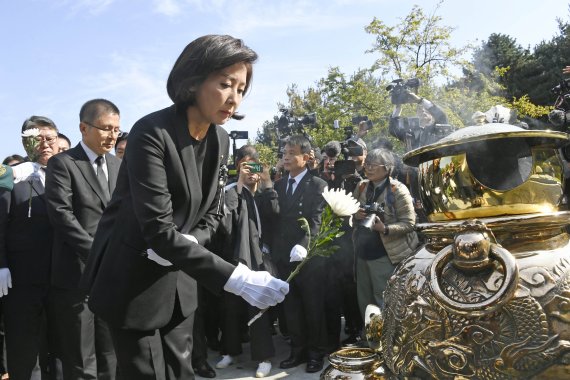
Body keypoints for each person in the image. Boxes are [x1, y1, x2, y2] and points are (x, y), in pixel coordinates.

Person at [80, 35, 288, 380]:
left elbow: (213, 210)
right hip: (132, 280)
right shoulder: (152, 132)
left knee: (183, 370)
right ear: (192, 81)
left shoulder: (220, 140)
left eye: (241, 88)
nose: (233, 97)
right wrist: (236, 278)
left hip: (180, 280)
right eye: (224, 84)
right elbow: (158, 229)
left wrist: (192, 240)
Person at [45, 99, 121, 379]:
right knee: (80, 356)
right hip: (76, 276)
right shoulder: (63, 164)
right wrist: (97, 253)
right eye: (105, 129)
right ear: (83, 128)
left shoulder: (118, 166)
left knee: (110, 352)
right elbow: (62, 216)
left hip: (111, 276)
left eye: (116, 130)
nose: (112, 136)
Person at [258, 135, 328, 373]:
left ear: (307, 157)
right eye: (284, 153)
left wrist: (304, 244)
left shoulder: (317, 184)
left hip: (307, 258)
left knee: (312, 306)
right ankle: (297, 351)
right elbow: (273, 218)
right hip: (283, 257)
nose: (285, 157)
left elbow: (317, 220)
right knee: (292, 308)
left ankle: (316, 353)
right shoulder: (278, 185)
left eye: (291, 153)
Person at [0, 116, 60, 380]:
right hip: (22, 279)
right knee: (25, 350)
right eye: (37, 139)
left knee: (63, 347)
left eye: (50, 138)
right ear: (26, 143)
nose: (45, 144)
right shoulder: (14, 177)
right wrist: (1, 262)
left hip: (63, 276)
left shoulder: (69, 173)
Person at [215, 147, 276, 378]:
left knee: (258, 307)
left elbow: (274, 215)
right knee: (230, 308)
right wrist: (239, 185)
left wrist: (268, 182)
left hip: (260, 258)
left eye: (255, 166)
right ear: (237, 166)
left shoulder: (263, 192)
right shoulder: (230, 190)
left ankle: (263, 357)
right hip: (234, 258)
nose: (251, 171)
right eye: (245, 166)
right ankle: (230, 351)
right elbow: (225, 225)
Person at [352, 148, 419, 317]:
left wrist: (385, 229)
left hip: (386, 254)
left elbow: (410, 223)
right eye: (367, 164)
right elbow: (348, 215)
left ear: (387, 168)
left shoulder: (398, 190)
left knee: (384, 298)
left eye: (374, 165)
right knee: (364, 299)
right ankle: (370, 337)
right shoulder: (361, 187)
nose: (369, 168)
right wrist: (355, 215)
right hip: (362, 253)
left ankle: (388, 339)